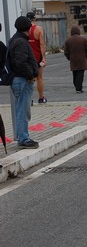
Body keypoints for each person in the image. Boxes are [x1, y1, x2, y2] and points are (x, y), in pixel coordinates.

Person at [8, 16, 40, 149]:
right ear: (28, 28)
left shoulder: (14, 40)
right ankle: (24, 138)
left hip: (17, 80)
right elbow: (20, 62)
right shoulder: (21, 42)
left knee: (20, 109)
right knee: (23, 110)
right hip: (22, 80)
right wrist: (30, 74)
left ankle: (22, 136)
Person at [27, 11, 47, 104]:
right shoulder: (38, 29)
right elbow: (42, 44)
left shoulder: (24, 29)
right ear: (34, 19)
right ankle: (41, 98)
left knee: (28, 78)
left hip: (27, 57)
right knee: (39, 78)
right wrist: (43, 57)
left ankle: (29, 99)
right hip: (37, 56)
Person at [63, 26, 87, 93]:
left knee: (75, 73)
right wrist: (86, 57)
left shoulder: (68, 40)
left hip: (73, 60)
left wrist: (69, 58)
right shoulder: (83, 39)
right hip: (82, 59)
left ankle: (76, 86)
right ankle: (79, 88)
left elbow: (66, 52)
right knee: (80, 74)